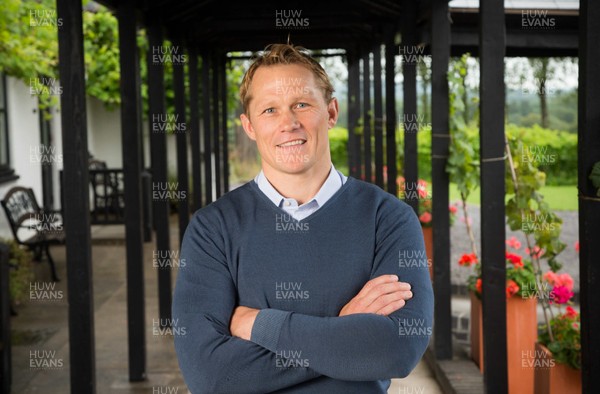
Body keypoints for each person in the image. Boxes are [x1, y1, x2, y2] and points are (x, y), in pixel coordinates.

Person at [173, 43, 434, 393]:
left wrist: (259, 325)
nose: (288, 123)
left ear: (330, 112)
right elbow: (211, 376)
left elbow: (398, 348)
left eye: (301, 104)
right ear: (249, 126)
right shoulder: (213, 228)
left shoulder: (388, 219)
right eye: (269, 110)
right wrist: (344, 330)